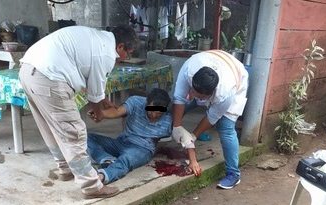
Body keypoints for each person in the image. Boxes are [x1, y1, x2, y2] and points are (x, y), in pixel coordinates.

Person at [19, 25, 138, 199]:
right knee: (74, 132)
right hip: (50, 77)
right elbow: (94, 95)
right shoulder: (106, 53)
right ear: (120, 47)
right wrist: (98, 112)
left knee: (51, 126)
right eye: (129, 52)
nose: (127, 57)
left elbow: (93, 83)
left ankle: (65, 168)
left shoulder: (98, 39)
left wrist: (102, 100)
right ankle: (91, 186)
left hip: (29, 71)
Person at [172, 49, 249, 189]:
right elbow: (178, 98)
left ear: (211, 93)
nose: (196, 96)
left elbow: (212, 118)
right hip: (211, 59)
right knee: (184, 106)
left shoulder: (226, 93)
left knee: (225, 127)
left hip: (236, 73)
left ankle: (233, 173)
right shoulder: (188, 69)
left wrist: (192, 137)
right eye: (194, 92)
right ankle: (173, 130)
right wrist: (176, 126)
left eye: (201, 97)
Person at [87, 88, 172, 184]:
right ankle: (107, 159)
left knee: (126, 160)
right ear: (146, 103)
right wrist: (101, 114)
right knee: (87, 138)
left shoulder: (168, 120)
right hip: (122, 141)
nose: (154, 115)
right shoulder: (136, 102)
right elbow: (118, 111)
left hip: (142, 148)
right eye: (151, 111)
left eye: (159, 113)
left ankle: (102, 176)